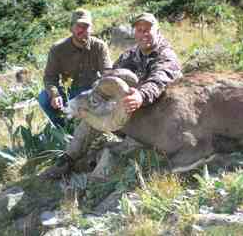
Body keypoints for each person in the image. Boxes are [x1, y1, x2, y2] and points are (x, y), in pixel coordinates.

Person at [40, 12, 182, 179]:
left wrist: (141, 96)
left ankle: (109, 161)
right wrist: (99, 94)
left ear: (157, 31)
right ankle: (68, 160)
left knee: (133, 148)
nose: (144, 34)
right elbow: (110, 77)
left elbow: (160, 79)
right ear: (134, 33)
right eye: (139, 30)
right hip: (132, 111)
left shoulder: (166, 56)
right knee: (95, 112)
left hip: (159, 116)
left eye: (148, 30)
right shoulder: (130, 55)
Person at [38, 8, 112, 127]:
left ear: (91, 28)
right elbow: (50, 77)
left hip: (91, 91)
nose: (82, 30)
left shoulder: (99, 47)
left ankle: (95, 126)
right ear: (71, 28)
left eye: (86, 26)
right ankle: (63, 127)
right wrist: (54, 94)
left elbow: (108, 73)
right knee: (44, 98)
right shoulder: (58, 49)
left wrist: (100, 90)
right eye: (78, 26)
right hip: (68, 91)